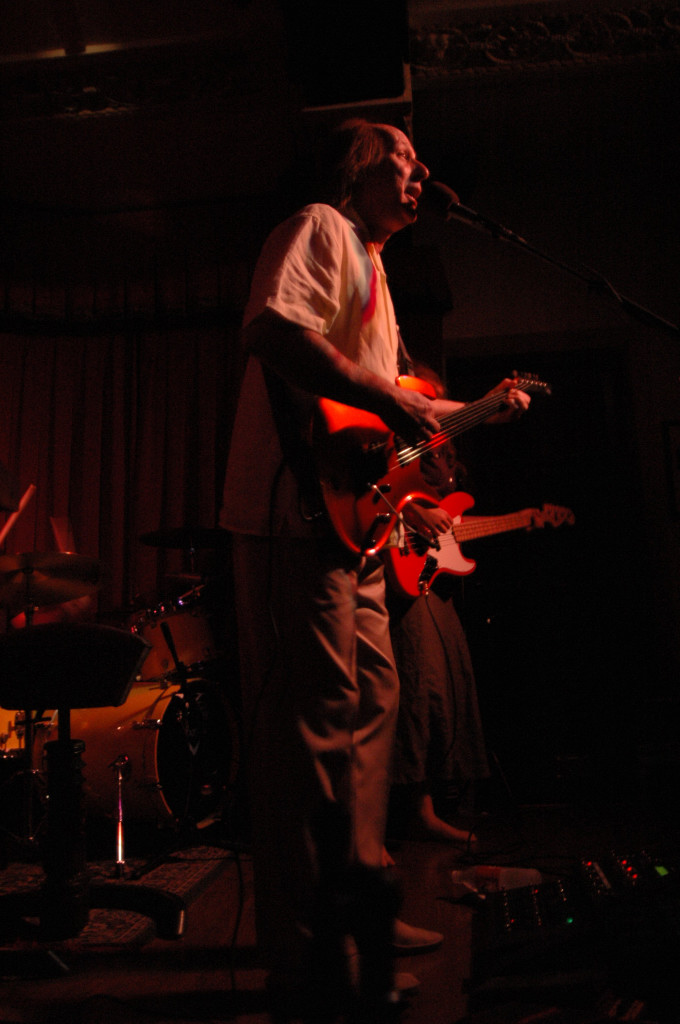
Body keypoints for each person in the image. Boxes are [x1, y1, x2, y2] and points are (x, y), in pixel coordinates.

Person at [219, 118, 530, 1013]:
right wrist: (396, 399)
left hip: (356, 524)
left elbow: (385, 422)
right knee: (316, 732)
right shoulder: (318, 226)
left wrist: (470, 413)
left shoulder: (378, 271)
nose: (421, 171)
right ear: (356, 173)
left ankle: (362, 911)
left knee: (370, 711)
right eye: (402, 160)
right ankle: (311, 954)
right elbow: (271, 329)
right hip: (291, 516)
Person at [385, 365, 490, 850]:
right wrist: (413, 511)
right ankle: (407, 815)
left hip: (430, 579)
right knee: (413, 688)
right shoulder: (398, 444)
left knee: (443, 686)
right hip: (396, 573)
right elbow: (380, 490)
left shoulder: (442, 447)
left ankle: (432, 807)